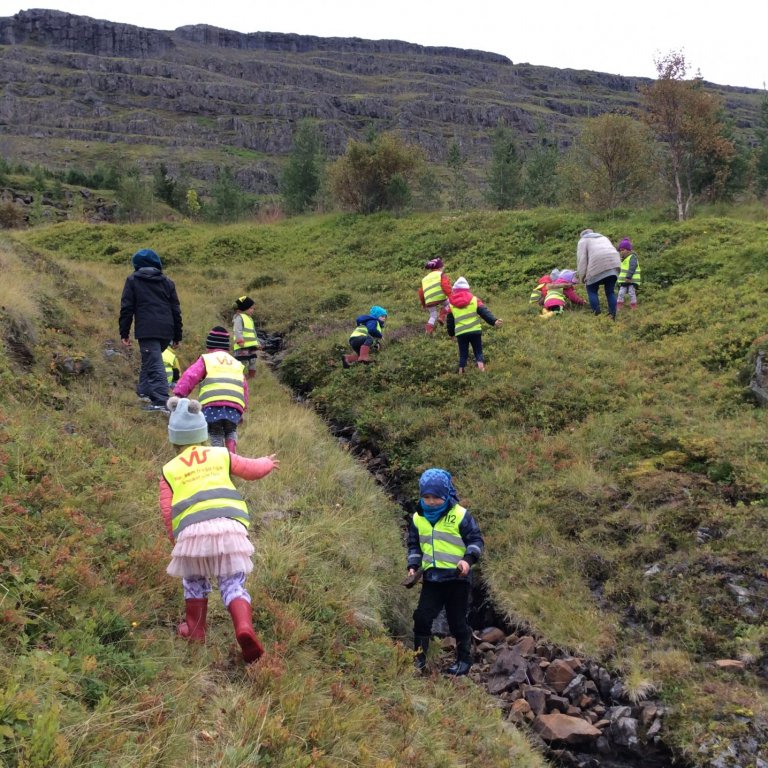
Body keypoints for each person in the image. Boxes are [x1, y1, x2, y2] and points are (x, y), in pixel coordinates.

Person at [160, 397, 279, 663]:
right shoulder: (220, 454)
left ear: (174, 440)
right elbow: (249, 469)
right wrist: (267, 464)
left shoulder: (169, 470)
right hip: (228, 527)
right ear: (202, 433)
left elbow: (168, 512)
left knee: (194, 580)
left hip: (191, 533)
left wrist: (175, 539)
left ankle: (195, 629)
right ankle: (243, 627)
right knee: (232, 581)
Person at [407, 468, 484, 676]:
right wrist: (412, 566)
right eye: (426, 497)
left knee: (457, 621)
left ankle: (464, 660)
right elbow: (414, 545)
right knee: (422, 617)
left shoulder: (460, 516)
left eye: (436, 498)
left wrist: (467, 560)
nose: (431, 502)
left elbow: (476, 541)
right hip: (431, 578)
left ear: (447, 495)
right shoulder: (417, 518)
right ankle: (418, 660)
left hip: (458, 579)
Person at [119, 248, 183, 411]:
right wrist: (177, 335)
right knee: (150, 360)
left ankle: (162, 402)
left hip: (147, 329)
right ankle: (143, 393)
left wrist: (124, 333)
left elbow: (127, 308)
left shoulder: (133, 280)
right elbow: (176, 310)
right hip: (166, 330)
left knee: (154, 363)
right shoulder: (167, 282)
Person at [173, 326, 248, 454]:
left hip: (213, 403)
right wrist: (242, 409)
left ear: (209, 346)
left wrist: (179, 394)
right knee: (230, 430)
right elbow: (244, 387)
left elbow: (191, 376)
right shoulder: (236, 363)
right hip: (235, 404)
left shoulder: (207, 359)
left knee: (215, 431)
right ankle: (232, 455)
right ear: (227, 347)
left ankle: (219, 458)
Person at [446, 277, 502, 373]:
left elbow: (450, 321)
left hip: (461, 333)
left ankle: (461, 373)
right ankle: (481, 370)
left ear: (454, 290)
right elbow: (484, 312)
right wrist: (494, 321)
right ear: (467, 289)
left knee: (463, 354)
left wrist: (451, 334)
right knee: (478, 352)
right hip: (475, 331)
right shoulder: (474, 300)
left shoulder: (451, 304)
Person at [576, 229, 622, 318]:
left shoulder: (583, 241)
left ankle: (597, 315)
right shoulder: (603, 237)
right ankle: (613, 314)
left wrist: (582, 277)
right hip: (613, 264)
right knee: (610, 292)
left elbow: (582, 260)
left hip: (597, 265)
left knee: (591, 289)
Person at [419, 258, 452, 335]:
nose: (443, 268)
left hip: (429, 300)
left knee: (433, 315)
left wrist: (424, 304)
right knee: (449, 303)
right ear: (439, 267)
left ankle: (428, 331)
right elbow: (445, 286)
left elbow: (421, 292)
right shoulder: (440, 275)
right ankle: (442, 315)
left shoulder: (424, 279)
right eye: (442, 267)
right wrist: (451, 296)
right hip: (439, 297)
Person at [233, 296, 261, 379]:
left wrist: (257, 343)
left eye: (253, 308)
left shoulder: (250, 319)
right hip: (242, 346)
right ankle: (239, 377)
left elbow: (253, 333)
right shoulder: (239, 318)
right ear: (245, 308)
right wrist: (240, 340)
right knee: (242, 361)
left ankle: (251, 377)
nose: (253, 310)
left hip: (252, 346)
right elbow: (237, 330)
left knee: (252, 361)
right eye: (251, 308)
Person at [616, 238, 641, 310]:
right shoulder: (623, 259)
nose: (621, 252)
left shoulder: (632, 257)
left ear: (628, 250)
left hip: (631, 280)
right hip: (624, 281)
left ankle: (633, 306)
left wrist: (628, 277)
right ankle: (619, 306)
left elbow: (632, 267)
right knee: (621, 293)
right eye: (620, 250)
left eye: (623, 250)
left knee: (631, 293)